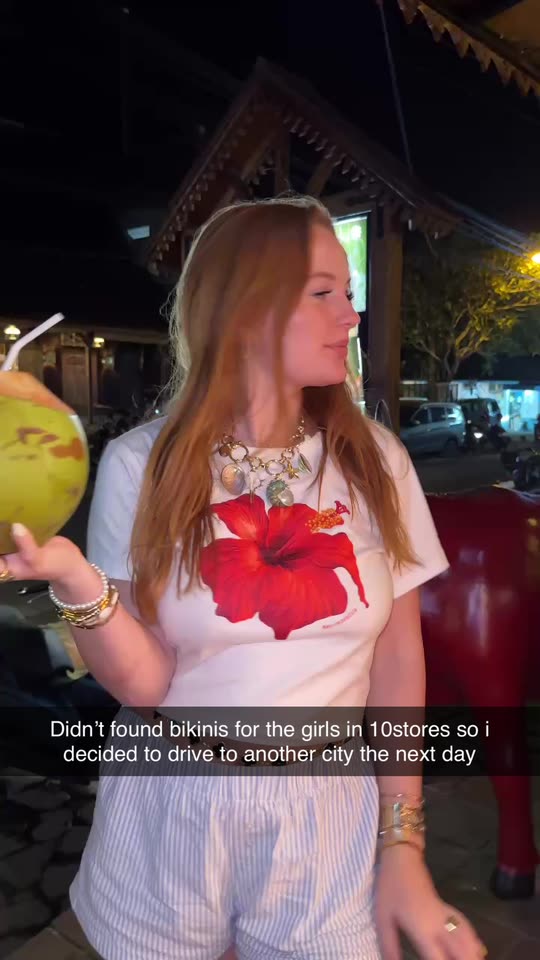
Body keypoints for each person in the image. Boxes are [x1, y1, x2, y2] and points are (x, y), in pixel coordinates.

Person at [0, 197, 486, 960]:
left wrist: (403, 842)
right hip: (169, 803)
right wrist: (71, 576)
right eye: (322, 293)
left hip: (328, 808)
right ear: (244, 304)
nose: (350, 316)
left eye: (348, 293)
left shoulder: (376, 461)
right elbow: (147, 685)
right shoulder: (142, 464)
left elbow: (397, 659)